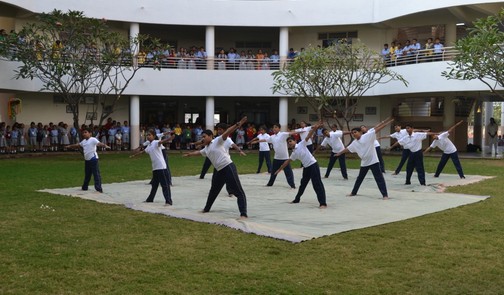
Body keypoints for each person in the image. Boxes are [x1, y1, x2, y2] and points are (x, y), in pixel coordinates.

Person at [183, 117, 249, 219]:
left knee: (238, 191)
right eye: (202, 137)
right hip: (219, 171)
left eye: (204, 136)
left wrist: (238, 124)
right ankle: (206, 208)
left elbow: (227, 132)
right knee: (213, 190)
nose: (202, 138)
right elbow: (199, 152)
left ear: (210, 136)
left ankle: (243, 213)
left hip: (228, 167)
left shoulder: (218, 141)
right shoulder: (206, 148)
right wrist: (190, 154)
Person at [336, 118, 394, 199]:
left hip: (373, 161)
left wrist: (387, 123)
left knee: (379, 178)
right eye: (352, 133)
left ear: (360, 132)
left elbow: (377, 129)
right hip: (364, 163)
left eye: (355, 132)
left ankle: (385, 195)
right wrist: (339, 153)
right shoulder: (354, 143)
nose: (354, 134)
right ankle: (353, 192)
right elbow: (347, 149)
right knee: (359, 178)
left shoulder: (367, 136)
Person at [276, 122, 327, 208]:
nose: (290, 143)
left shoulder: (301, 144)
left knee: (317, 184)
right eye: (288, 143)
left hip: (313, 165)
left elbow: (308, 136)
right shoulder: (294, 153)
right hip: (306, 167)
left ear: (295, 141)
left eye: (291, 141)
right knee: (303, 184)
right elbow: (287, 161)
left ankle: (323, 203)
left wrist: (314, 129)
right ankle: (297, 199)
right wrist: (279, 169)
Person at [136, 129, 173, 205]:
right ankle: (150, 199)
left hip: (161, 167)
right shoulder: (149, 146)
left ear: (154, 136)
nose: (148, 136)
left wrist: (169, 138)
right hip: (155, 168)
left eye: (149, 135)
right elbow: (143, 151)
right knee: (154, 185)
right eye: (147, 135)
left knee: (165, 185)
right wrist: (135, 154)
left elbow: (161, 142)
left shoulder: (155, 142)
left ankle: (168, 201)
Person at [67, 128, 110, 193]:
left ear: (90, 133)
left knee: (96, 174)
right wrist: (69, 146)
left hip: (93, 159)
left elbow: (99, 143)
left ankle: (98, 188)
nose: (84, 134)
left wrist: (104, 145)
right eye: (83, 133)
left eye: (85, 132)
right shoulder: (84, 141)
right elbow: (77, 145)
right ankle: (85, 186)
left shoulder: (93, 139)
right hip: (87, 160)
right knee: (87, 174)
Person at [262, 123, 302, 189]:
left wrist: (303, 130)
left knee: (288, 172)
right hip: (276, 158)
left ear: (279, 128)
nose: (274, 129)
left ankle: (292, 185)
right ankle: (270, 183)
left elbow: (291, 133)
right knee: (273, 172)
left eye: (276, 127)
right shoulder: (272, 137)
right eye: (273, 127)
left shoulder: (282, 135)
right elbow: (265, 140)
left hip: (285, 158)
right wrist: (256, 141)